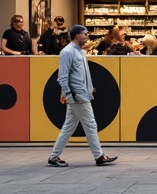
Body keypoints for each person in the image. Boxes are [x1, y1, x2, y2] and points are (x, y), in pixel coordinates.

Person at [47, 25, 118, 167]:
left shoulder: (79, 52)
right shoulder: (67, 52)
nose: (87, 37)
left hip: (80, 94)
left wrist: (89, 88)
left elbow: (81, 75)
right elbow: (63, 76)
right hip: (78, 96)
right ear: (76, 35)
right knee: (90, 125)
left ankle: (54, 156)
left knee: (68, 127)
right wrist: (69, 94)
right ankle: (99, 156)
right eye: (85, 34)